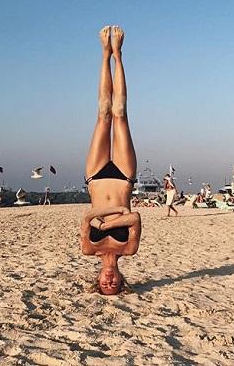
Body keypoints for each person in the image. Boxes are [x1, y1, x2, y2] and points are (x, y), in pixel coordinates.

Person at [80, 26, 141, 295]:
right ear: (121, 280)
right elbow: (135, 217)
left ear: (98, 281)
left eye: (104, 285)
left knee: (104, 114)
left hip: (95, 177)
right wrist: (112, 220)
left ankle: (105, 55)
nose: (109, 281)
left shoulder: (88, 249)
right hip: (124, 178)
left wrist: (111, 220)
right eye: (114, 285)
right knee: (121, 114)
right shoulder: (128, 249)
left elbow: (87, 217)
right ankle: (118, 55)